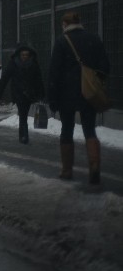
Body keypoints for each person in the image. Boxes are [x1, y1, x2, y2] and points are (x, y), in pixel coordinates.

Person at [48, 11, 111, 184]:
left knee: (66, 130)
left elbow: (54, 72)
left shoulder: (61, 42)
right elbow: (105, 66)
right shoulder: (94, 39)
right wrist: (94, 80)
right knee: (89, 130)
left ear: (64, 25)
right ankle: (95, 166)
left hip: (66, 95)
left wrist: (52, 98)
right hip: (88, 93)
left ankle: (67, 170)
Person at [0, 44, 45, 144]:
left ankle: (23, 135)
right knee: (23, 114)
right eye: (23, 55)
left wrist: (41, 94)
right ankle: (24, 135)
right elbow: (5, 78)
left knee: (24, 113)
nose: (25, 57)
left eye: (26, 55)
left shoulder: (33, 64)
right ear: (19, 55)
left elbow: (39, 80)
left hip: (29, 93)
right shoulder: (14, 63)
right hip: (18, 93)